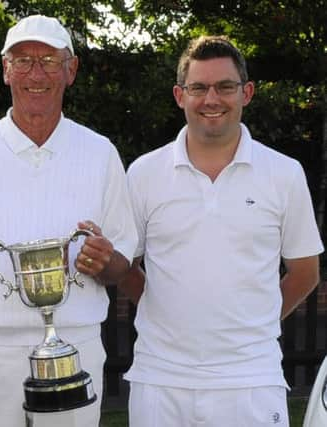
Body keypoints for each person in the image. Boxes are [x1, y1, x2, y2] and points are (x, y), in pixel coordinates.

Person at [0, 14, 137, 427]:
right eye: (23, 61)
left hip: (75, 349)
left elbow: (122, 263)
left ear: (70, 71)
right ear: (6, 70)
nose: (36, 74)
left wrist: (104, 261)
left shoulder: (100, 152)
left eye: (50, 61)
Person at [123, 35, 324, 427]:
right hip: (161, 380)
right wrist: (163, 310)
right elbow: (125, 265)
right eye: (199, 87)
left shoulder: (284, 174)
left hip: (250, 380)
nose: (211, 99)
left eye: (225, 86)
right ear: (180, 95)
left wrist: (256, 324)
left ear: (246, 92)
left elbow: (305, 272)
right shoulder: (143, 173)